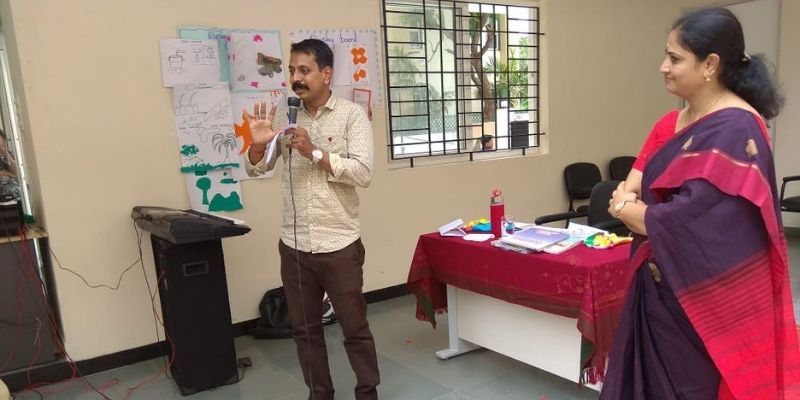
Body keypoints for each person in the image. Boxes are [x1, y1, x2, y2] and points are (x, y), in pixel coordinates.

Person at [602, 8, 800, 399]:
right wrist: (630, 206)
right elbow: (634, 184)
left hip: (700, 298)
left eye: (674, 58)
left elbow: (685, 221)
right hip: (657, 289)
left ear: (710, 64)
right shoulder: (673, 122)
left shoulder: (736, 128)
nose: (663, 67)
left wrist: (625, 209)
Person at [244, 39, 378, 400]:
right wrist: (257, 145)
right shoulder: (284, 114)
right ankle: (320, 394)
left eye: (304, 70)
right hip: (294, 245)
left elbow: (363, 173)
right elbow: (258, 168)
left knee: (354, 328)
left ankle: (368, 392)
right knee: (305, 331)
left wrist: (315, 151)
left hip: (339, 243)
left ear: (326, 73)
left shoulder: (351, 115)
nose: (296, 78)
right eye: (292, 70)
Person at [0, 128, 20, 200]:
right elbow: (12, 174)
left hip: (10, 187)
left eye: (2, 145)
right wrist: (7, 173)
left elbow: (16, 172)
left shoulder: (7, 154)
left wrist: (6, 153)